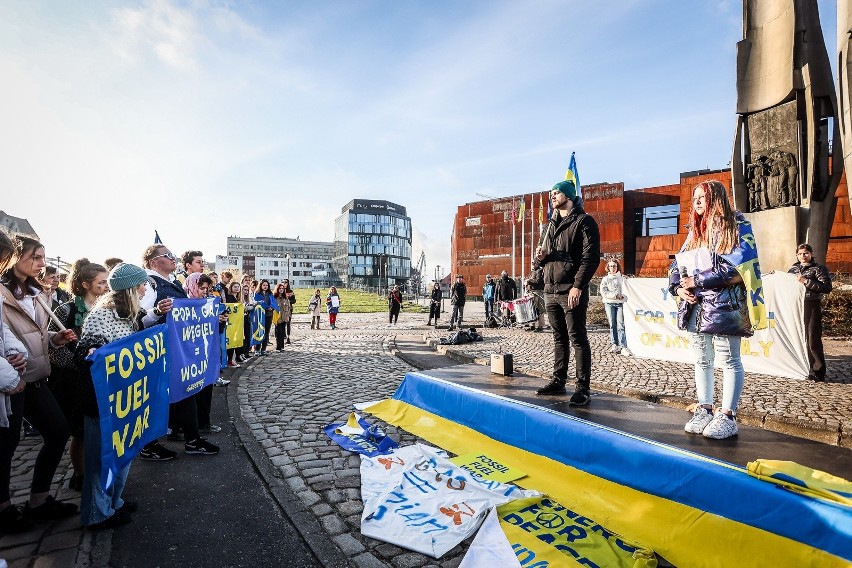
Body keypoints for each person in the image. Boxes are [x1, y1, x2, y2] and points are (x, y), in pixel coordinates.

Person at [669, 180, 765, 440]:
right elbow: (676, 267)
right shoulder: (695, 232)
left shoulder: (737, 225)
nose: (697, 201)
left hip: (726, 305)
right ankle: (705, 408)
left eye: (703, 197)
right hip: (697, 307)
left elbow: (736, 270)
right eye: (695, 197)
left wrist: (696, 280)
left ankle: (728, 415)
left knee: (730, 359)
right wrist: (678, 288)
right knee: (702, 359)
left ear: (717, 197)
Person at [0, 235, 79, 529]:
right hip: (11, 378)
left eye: (43, 257)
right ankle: (4, 509)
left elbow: (34, 335)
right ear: (14, 257)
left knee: (58, 431)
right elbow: (6, 337)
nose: (41, 264)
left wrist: (54, 339)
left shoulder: (37, 292)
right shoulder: (2, 293)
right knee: (6, 445)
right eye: (35, 257)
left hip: (35, 375)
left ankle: (39, 499)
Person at [73, 263, 150, 529]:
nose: (145, 288)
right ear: (130, 287)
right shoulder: (101, 316)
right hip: (101, 401)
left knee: (123, 454)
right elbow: (86, 355)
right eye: (141, 283)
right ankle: (96, 513)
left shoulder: (131, 315)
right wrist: (94, 351)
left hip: (125, 400)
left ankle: (113, 501)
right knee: (99, 461)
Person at [534, 180, 601, 406]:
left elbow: (590, 258)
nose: (553, 196)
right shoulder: (550, 225)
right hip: (550, 290)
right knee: (558, 338)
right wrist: (541, 258)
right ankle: (558, 380)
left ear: (569, 195)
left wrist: (578, 286)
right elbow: (545, 259)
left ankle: (583, 388)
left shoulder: (584, 222)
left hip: (570, 290)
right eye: (551, 193)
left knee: (578, 338)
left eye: (557, 193)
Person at [48, 258, 109, 491]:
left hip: (101, 377)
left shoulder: (107, 308)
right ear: (85, 284)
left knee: (100, 427)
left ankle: (100, 471)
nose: (106, 287)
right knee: (81, 431)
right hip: (74, 379)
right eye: (101, 283)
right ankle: (80, 474)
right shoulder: (67, 310)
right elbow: (53, 346)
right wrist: (78, 365)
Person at [185, 273, 222, 434]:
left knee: (207, 388)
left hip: (205, 355)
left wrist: (220, 321)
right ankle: (192, 427)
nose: (205, 292)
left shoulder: (208, 305)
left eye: (207, 288)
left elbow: (214, 332)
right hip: (189, 358)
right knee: (192, 394)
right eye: (201, 288)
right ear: (192, 287)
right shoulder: (184, 306)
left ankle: (204, 422)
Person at [788, 243, 832, 381]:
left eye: (806, 253)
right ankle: (803, 368)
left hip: (811, 305)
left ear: (811, 254)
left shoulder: (819, 268)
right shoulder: (792, 270)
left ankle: (818, 371)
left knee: (812, 338)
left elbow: (826, 287)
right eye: (800, 254)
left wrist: (806, 281)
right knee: (797, 338)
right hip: (796, 306)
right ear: (797, 255)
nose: (803, 256)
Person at [600, 259, 631, 356]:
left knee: (621, 325)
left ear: (618, 267)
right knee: (612, 324)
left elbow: (628, 290)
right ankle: (615, 344)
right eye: (611, 266)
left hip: (620, 304)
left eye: (614, 266)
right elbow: (603, 292)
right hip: (609, 303)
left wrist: (622, 296)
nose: (613, 268)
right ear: (608, 267)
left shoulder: (622, 278)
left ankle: (623, 346)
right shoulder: (605, 279)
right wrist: (615, 295)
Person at [253, 280, 277, 354]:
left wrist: (272, 307)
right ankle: (257, 349)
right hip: (260, 315)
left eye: (266, 285)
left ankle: (263, 349)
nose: (265, 286)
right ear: (261, 285)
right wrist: (266, 307)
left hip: (269, 315)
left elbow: (274, 303)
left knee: (266, 332)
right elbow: (257, 302)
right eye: (264, 285)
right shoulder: (257, 294)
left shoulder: (270, 294)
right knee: (260, 332)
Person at [273, 283, 293, 348]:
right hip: (277, 318)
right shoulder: (274, 298)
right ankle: (278, 346)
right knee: (278, 332)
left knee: (282, 332)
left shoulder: (285, 298)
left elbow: (289, 307)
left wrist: (288, 316)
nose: (281, 290)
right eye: (280, 288)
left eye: (282, 288)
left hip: (284, 317)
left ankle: (282, 346)